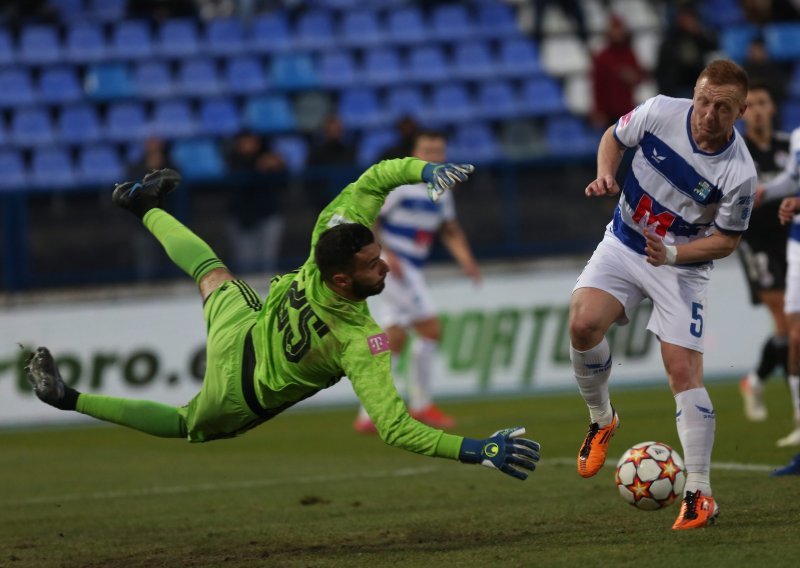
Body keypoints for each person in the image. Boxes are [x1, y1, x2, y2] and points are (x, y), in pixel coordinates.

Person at [24, 160, 541, 482]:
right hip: (241, 390)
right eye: (372, 265)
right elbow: (398, 430)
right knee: (185, 422)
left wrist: (424, 172)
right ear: (341, 281)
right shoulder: (360, 339)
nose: (385, 267)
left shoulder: (332, 230)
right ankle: (67, 399)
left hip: (248, 324)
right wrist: (477, 450)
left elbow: (377, 177)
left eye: (379, 255)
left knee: (210, 271)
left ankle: (142, 207)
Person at [569, 59, 756, 530]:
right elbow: (613, 136)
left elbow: (727, 241)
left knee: (681, 370)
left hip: (681, 266)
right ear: (694, 92)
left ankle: (699, 494)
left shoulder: (739, 174)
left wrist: (674, 254)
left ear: (742, 110)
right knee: (582, 324)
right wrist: (606, 173)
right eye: (704, 102)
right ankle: (602, 418)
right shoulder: (659, 112)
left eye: (723, 108)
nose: (709, 115)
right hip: (624, 241)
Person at [353, 131, 481, 434]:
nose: (433, 156)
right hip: (395, 267)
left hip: (410, 268)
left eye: (438, 151)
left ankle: (368, 413)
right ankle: (422, 405)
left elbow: (450, 230)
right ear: (414, 154)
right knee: (430, 330)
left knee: (393, 339)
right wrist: (383, 253)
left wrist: (467, 261)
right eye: (427, 150)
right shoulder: (401, 186)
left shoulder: (443, 190)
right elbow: (369, 218)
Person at [737, 84, 792, 423]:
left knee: (790, 330)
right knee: (786, 321)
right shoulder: (735, 151)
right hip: (757, 244)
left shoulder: (790, 147)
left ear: (772, 107)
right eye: (750, 104)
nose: (756, 109)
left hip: (793, 242)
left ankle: (755, 379)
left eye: (762, 102)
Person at [763, 127, 800, 448]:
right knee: (796, 337)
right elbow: (792, 178)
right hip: (797, 244)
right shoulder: (798, 136)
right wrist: (766, 191)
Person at [225, 131, 287, 273]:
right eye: (245, 141)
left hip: (268, 214)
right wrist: (256, 167)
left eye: (252, 141)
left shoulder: (268, 158)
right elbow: (236, 184)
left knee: (268, 262)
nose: (249, 145)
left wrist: (280, 166)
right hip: (242, 219)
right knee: (246, 264)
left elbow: (284, 183)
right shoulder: (232, 160)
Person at [590, 14, 646, 130]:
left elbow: (640, 76)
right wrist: (598, 111)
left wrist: (632, 77)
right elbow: (597, 86)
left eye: (619, 29)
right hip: (608, 113)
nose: (617, 33)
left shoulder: (629, 54)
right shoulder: (602, 57)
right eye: (614, 29)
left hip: (627, 111)